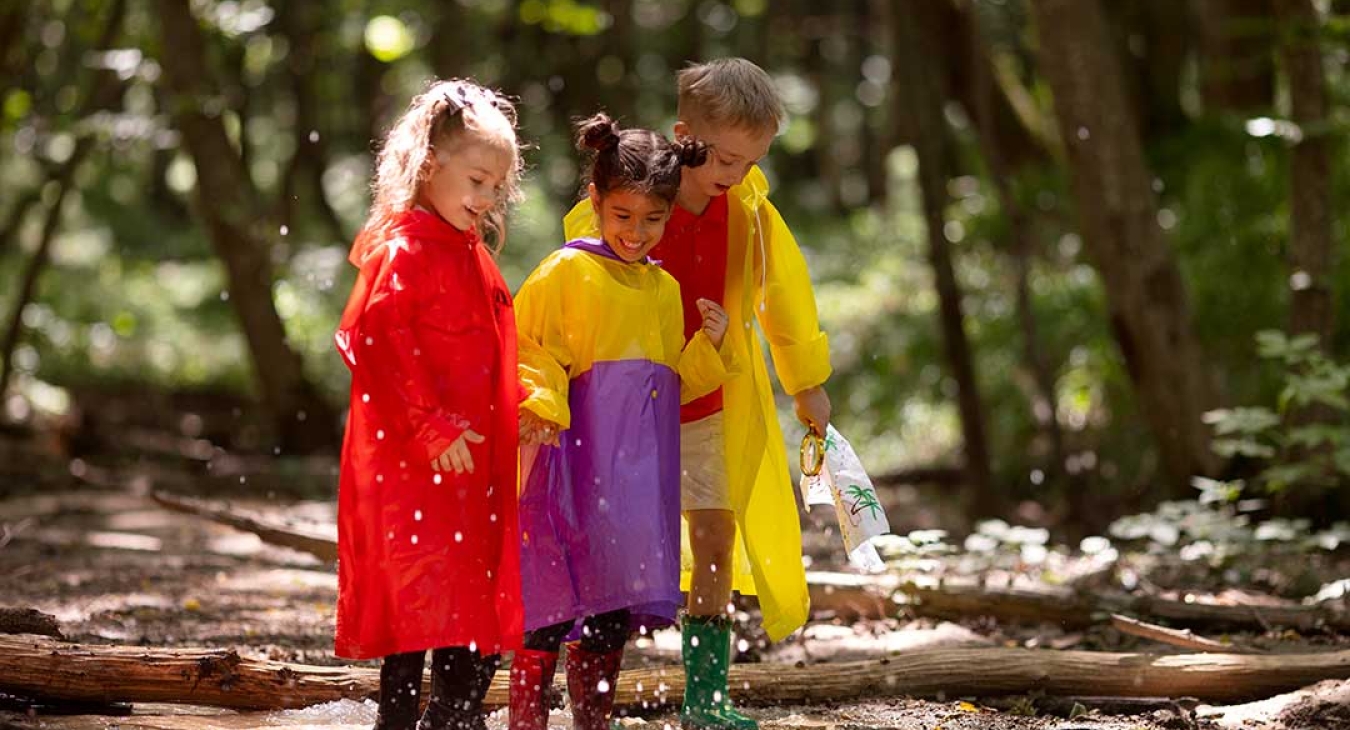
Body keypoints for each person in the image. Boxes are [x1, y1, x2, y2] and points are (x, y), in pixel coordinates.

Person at [563, 58, 833, 730]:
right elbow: (578, 283)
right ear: (685, 134)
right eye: (726, 158)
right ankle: (591, 699)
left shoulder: (748, 214)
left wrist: (806, 384)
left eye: (751, 162)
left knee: (715, 536)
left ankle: (706, 699)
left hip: (709, 401)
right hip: (630, 411)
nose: (735, 174)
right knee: (614, 549)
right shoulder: (633, 196)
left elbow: (784, 298)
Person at [509, 113, 735, 730]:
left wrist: (707, 347)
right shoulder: (564, 272)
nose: (636, 233)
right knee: (551, 604)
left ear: (669, 213)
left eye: (652, 219)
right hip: (567, 467)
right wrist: (542, 403)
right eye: (623, 216)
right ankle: (526, 721)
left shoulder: (663, 289)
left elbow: (666, 385)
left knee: (611, 609)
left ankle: (593, 721)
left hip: (633, 483)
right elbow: (525, 348)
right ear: (595, 201)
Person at [333, 78, 525, 730]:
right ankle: (398, 719)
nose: (487, 198)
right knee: (418, 596)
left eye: (497, 186)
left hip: (470, 467)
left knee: (468, 591)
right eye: (476, 180)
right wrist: (430, 425)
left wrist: (524, 401)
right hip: (415, 466)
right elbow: (379, 343)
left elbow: (490, 346)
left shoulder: (468, 252)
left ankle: (455, 717)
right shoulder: (405, 249)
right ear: (429, 164)